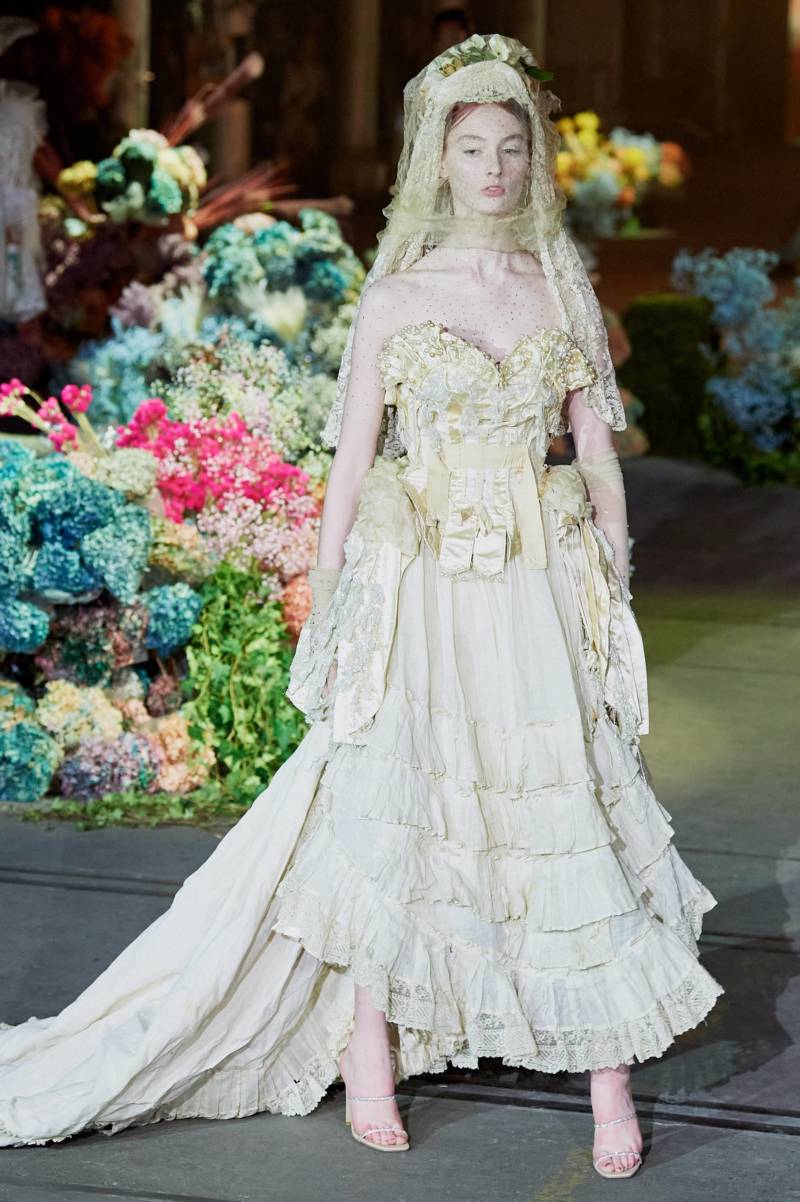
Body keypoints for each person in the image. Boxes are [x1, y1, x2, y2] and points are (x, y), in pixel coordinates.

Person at [0, 34, 724, 1180]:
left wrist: (608, 588)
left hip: (535, 588)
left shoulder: (559, 289)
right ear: (436, 160)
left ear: (531, 160)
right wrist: (334, 595)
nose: (491, 168)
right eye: (470, 148)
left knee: (568, 807)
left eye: (508, 147)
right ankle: (370, 1044)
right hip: (420, 587)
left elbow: (594, 457)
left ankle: (606, 1079)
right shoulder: (395, 295)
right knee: (398, 809)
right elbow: (350, 460)